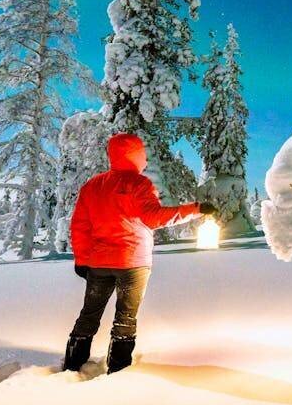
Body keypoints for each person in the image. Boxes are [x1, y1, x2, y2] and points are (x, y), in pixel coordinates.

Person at [63, 133, 215, 373]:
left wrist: (82, 260)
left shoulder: (92, 185)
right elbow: (154, 218)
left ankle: (72, 363)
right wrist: (194, 209)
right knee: (125, 318)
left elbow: (80, 226)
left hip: (99, 263)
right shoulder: (139, 184)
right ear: (135, 155)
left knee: (89, 314)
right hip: (132, 262)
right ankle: (119, 369)